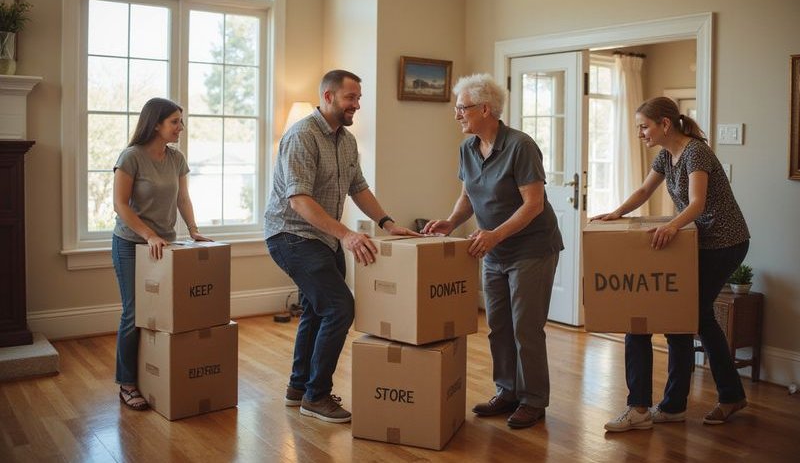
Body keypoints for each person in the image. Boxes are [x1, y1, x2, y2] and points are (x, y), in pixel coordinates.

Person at [264, 69, 419, 424]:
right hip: (291, 235)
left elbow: (359, 188)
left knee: (318, 310)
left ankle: (299, 388)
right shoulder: (302, 136)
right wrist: (347, 235)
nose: (357, 105)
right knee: (339, 308)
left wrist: (388, 223)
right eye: (351, 98)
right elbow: (299, 201)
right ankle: (316, 396)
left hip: (323, 236)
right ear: (329, 97)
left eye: (359, 98)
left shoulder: (346, 140)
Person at [596, 96, 750, 432]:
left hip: (725, 243)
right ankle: (691, 402)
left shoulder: (696, 152)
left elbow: (696, 203)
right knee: (685, 317)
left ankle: (725, 395)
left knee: (693, 315)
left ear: (665, 124)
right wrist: (618, 212)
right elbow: (643, 190)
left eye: (643, 126)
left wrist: (670, 227)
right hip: (697, 240)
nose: (640, 133)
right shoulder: (667, 155)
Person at [422, 73, 563, 429]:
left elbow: (533, 204)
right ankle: (508, 391)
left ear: (486, 109)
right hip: (494, 249)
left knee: (526, 328)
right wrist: (451, 222)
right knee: (498, 325)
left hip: (532, 248)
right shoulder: (467, 148)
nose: (457, 115)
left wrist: (495, 235)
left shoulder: (520, 146)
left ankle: (533, 400)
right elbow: (468, 194)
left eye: (462, 108)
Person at [112, 97, 211, 410]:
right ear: (156, 124)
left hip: (164, 245)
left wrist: (193, 229)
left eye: (181, 122)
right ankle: (127, 383)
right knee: (134, 312)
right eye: (175, 122)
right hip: (130, 243)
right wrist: (148, 234)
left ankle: (155, 374)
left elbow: (183, 198)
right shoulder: (131, 157)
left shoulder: (176, 158)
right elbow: (121, 205)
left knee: (164, 314)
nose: (180, 128)